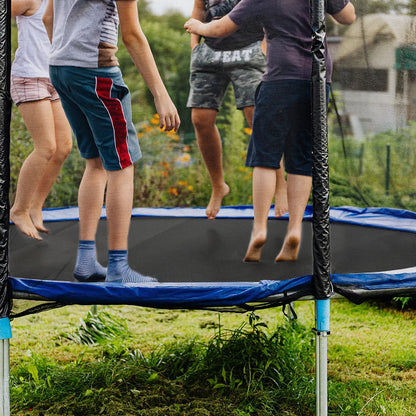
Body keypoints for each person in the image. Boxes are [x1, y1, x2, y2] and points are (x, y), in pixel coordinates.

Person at [185, 0, 356, 262]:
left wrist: (198, 26)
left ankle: (260, 228)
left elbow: (220, 28)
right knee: (302, 158)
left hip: (280, 77)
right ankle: (295, 229)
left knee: (264, 156)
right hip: (318, 79)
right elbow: (348, 17)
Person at [43, 0, 180, 283]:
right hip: (95, 72)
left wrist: (67, 53)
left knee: (95, 163)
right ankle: (118, 268)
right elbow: (131, 35)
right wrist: (160, 94)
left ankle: (85, 260)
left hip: (60, 68)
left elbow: (47, 18)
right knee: (122, 163)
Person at [187, 0, 288, 220]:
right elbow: (199, 8)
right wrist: (194, 46)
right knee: (200, 119)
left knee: (257, 116)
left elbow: (272, 8)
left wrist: (264, 45)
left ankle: (281, 185)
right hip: (209, 52)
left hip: (248, 49)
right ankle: (218, 186)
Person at [10, 0, 73, 241]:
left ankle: (35, 206)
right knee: (46, 147)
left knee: (63, 147)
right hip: (29, 77)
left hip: (54, 76)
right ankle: (19, 210)